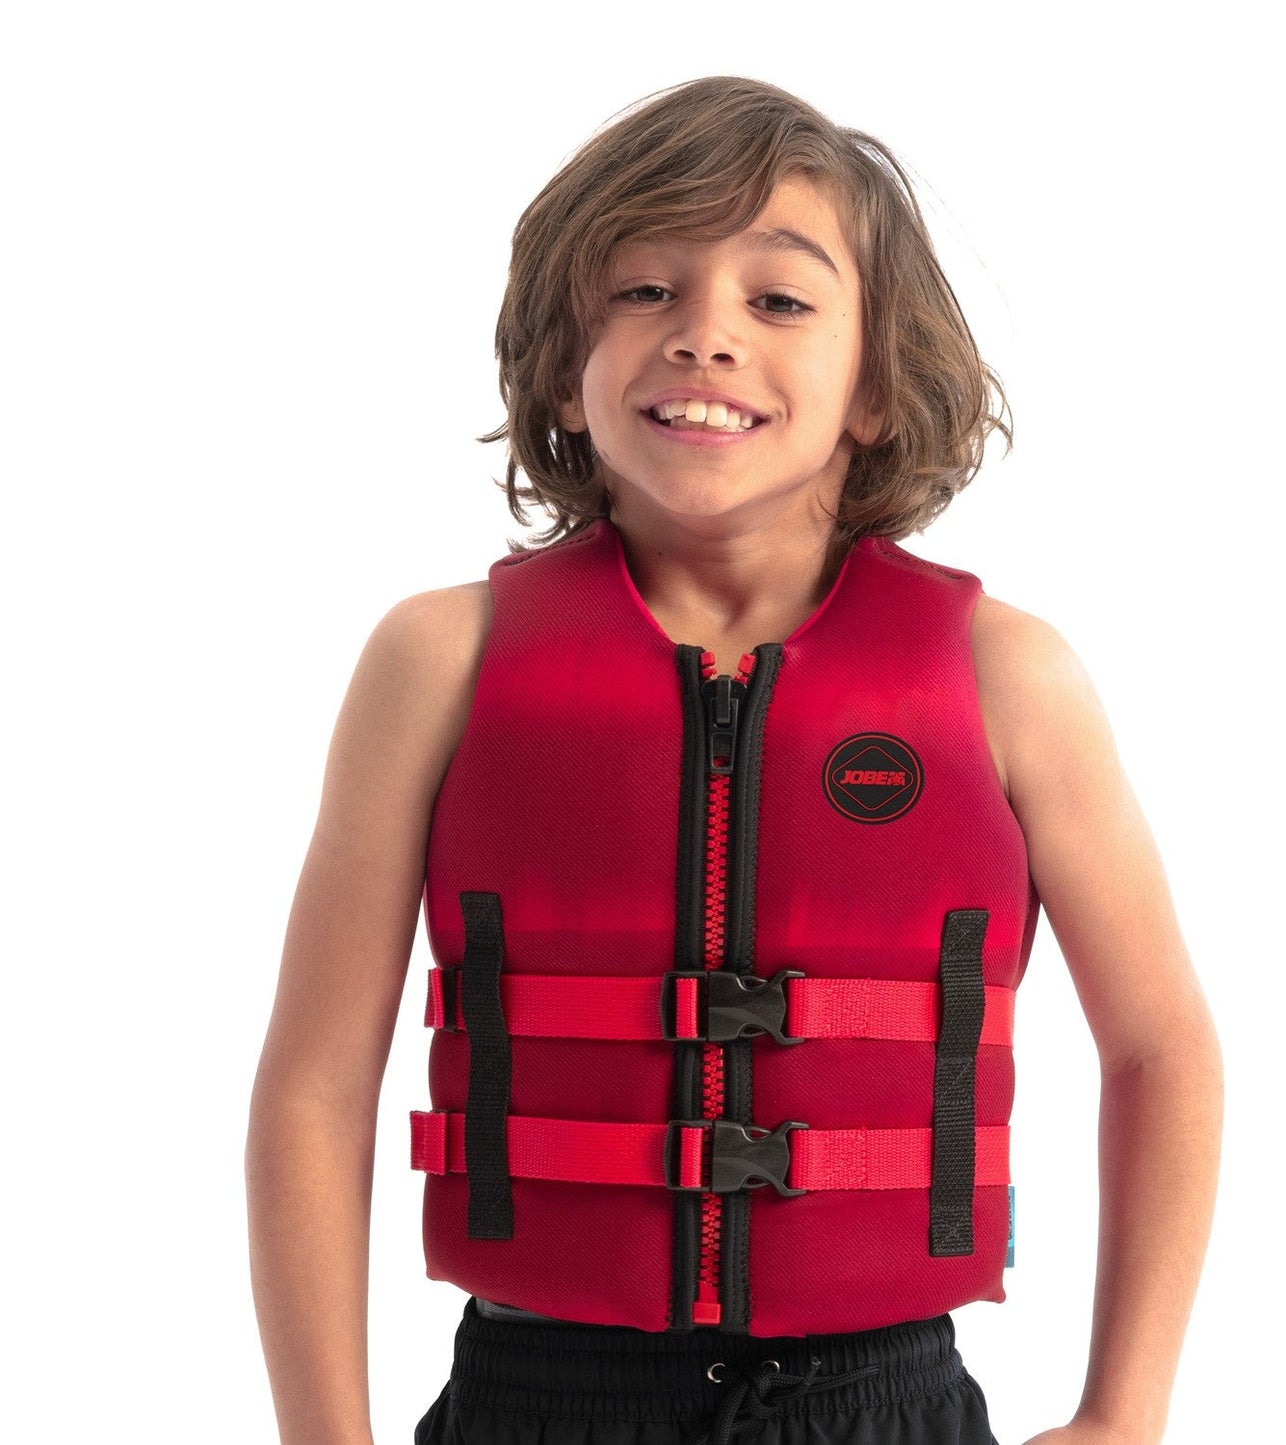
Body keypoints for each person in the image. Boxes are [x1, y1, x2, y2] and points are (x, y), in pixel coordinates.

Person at [246, 76, 1223, 1445]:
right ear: (564, 371)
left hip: (884, 1405)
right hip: (537, 1402)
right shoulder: (438, 662)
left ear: (875, 385)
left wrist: (1124, 1414)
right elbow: (312, 1087)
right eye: (643, 290)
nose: (704, 336)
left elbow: (1162, 1049)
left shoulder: (1007, 678)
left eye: (778, 299)